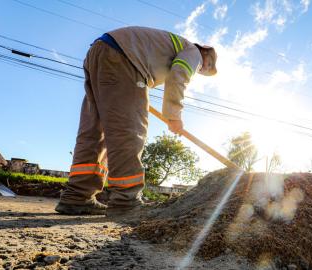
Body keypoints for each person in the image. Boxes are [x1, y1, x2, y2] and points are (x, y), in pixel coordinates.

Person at [55, 26, 217, 217]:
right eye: (207, 65)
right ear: (205, 51)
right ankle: (126, 201)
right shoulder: (193, 51)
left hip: (100, 53)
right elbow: (179, 74)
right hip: (123, 60)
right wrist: (174, 115)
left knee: (94, 131)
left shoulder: (164, 46)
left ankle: (77, 196)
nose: (202, 69)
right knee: (128, 130)